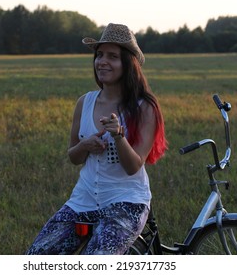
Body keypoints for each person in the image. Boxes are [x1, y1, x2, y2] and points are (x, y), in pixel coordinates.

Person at [26, 23, 167, 255]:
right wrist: (85, 145)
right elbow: (73, 156)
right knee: (36, 256)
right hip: (83, 200)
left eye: (112, 56)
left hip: (127, 203)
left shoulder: (145, 108)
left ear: (127, 64)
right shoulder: (85, 102)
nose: (102, 61)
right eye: (99, 55)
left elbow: (134, 166)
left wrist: (119, 136)